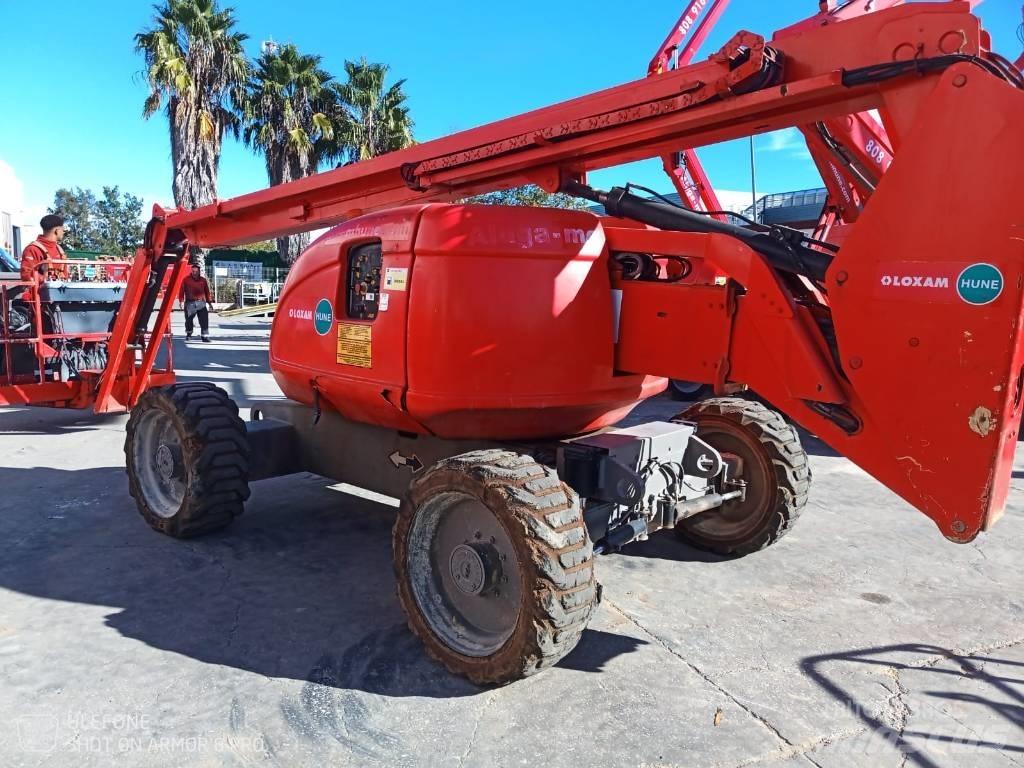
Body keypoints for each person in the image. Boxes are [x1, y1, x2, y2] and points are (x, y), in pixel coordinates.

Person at [20, 214, 70, 283]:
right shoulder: (32, 249)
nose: (63, 232)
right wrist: (47, 280)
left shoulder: (60, 250)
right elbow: (26, 276)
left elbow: (65, 275)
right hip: (39, 293)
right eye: (63, 230)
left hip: (58, 292)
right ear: (57, 231)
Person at [179, 263, 213, 342]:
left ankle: (205, 336)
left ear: (199, 272)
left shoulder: (203, 280)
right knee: (189, 320)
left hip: (201, 303)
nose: (194, 273)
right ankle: (189, 334)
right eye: (193, 271)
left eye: (196, 271)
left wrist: (209, 302)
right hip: (190, 303)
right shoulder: (186, 280)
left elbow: (207, 291)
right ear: (191, 271)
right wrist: (181, 301)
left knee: (204, 320)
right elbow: (181, 291)